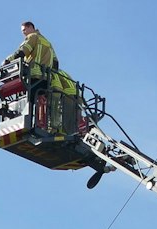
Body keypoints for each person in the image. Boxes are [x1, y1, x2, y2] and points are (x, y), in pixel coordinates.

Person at [12, 20, 108, 188]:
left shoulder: (33, 38)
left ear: (31, 27)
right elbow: (55, 63)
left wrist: (8, 62)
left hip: (38, 78)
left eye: (24, 29)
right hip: (60, 90)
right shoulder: (49, 45)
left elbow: (22, 52)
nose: (23, 33)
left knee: (45, 109)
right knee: (70, 120)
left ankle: (51, 129)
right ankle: (80, 134)